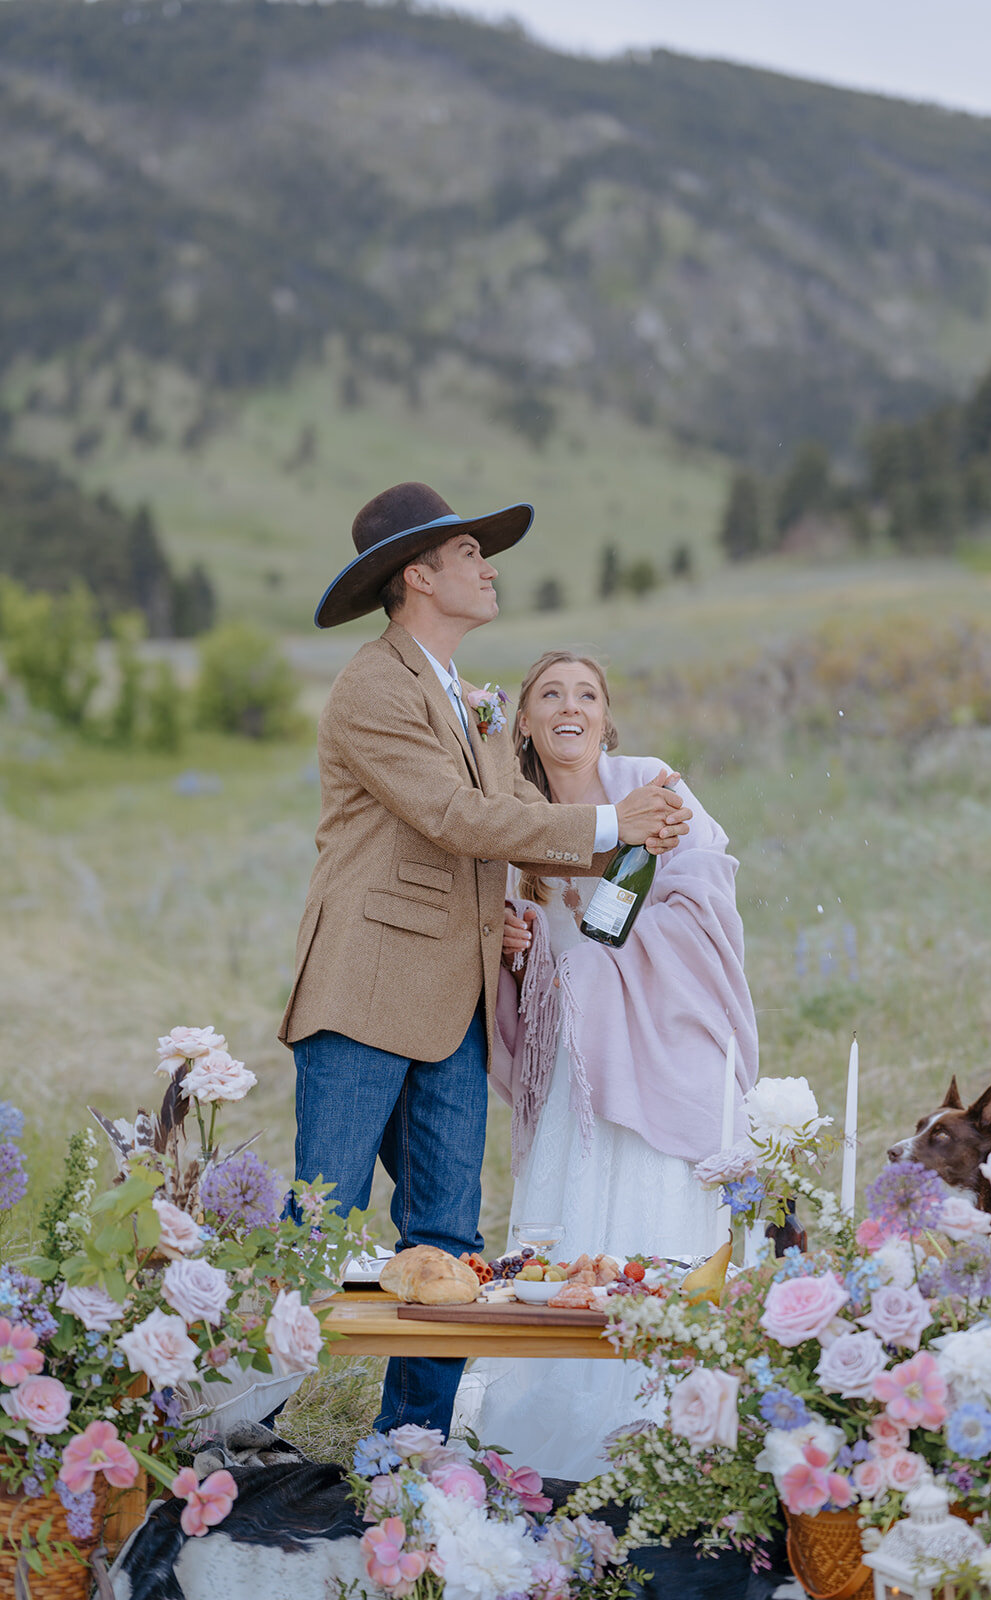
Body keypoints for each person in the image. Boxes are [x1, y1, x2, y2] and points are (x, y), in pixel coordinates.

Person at [278, 483, 692, 1439]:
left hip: (456, 1002)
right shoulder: (373, 684)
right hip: (365, 991)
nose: (487, 567)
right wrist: (608, 822)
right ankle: (224, 1423)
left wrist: (639, 841)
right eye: (470, 554)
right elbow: (457, 820)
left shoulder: (467, 698)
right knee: (314, 1227)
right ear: (419, 576)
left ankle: (411, 1450)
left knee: (449, 1241)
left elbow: (510, 838)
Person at [467, 650, 758, 1482]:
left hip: (664, 1029)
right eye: (549, 694)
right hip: (571, 1055)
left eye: (586, 695)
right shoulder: (509, 817)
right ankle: (568, 1410)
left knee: (654, 1195)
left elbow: (705, 899)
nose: (570, 706)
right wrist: (512, 947)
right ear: (522, 722)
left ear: (605, 717)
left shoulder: (651, 788)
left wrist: (604, 970)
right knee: (575, 1220)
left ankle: (670, 1413)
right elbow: (501, 922)